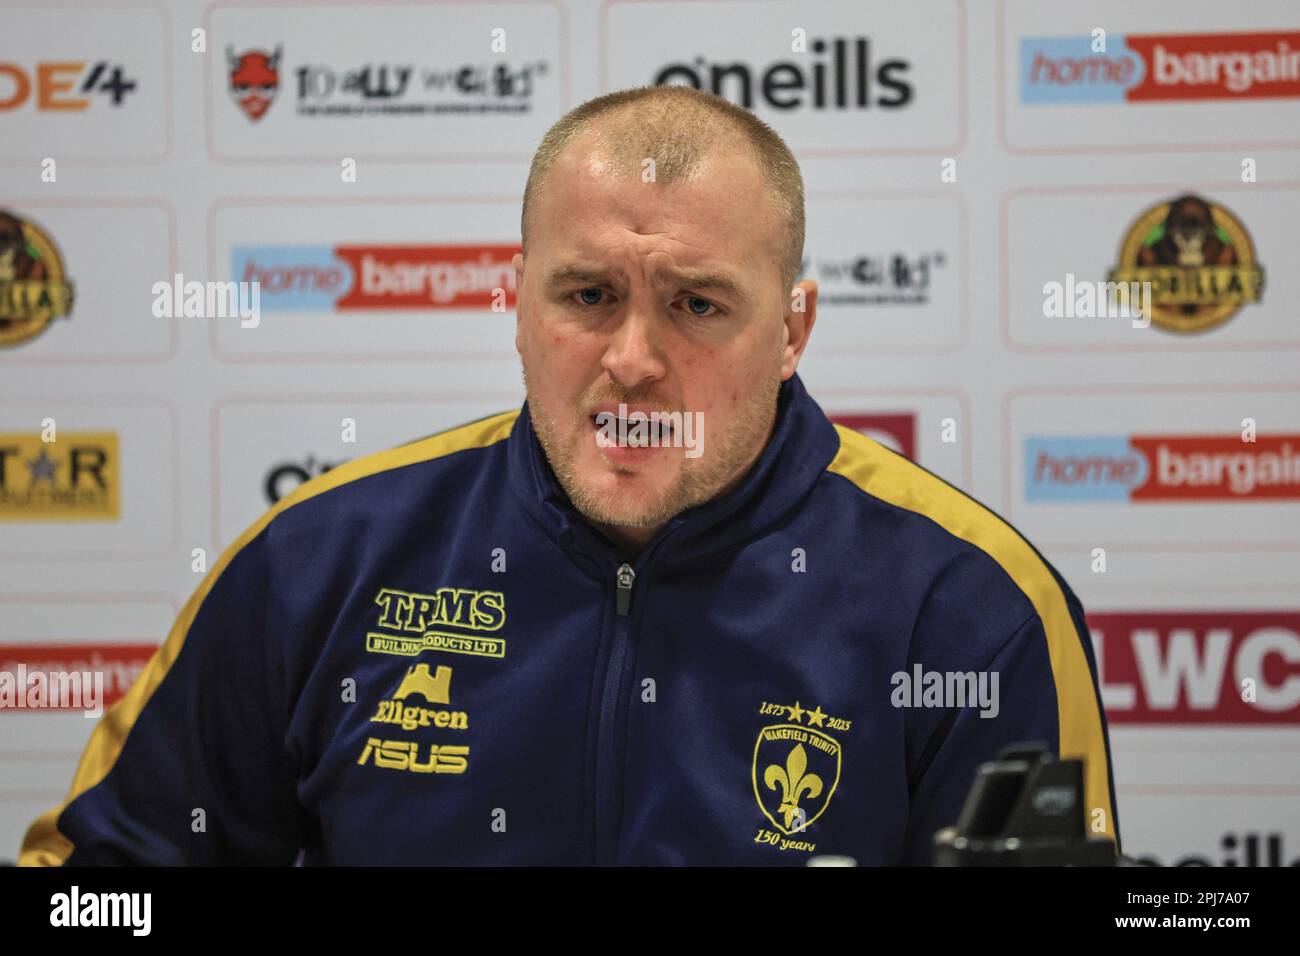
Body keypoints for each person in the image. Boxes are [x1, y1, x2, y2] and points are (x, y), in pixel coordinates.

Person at [20, 85, 1118, 866]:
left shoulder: (971, 608)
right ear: (515, 301)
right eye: (586, 294)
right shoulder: (322, 560)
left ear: (792, 328)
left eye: (696, 303)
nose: (632, 359)